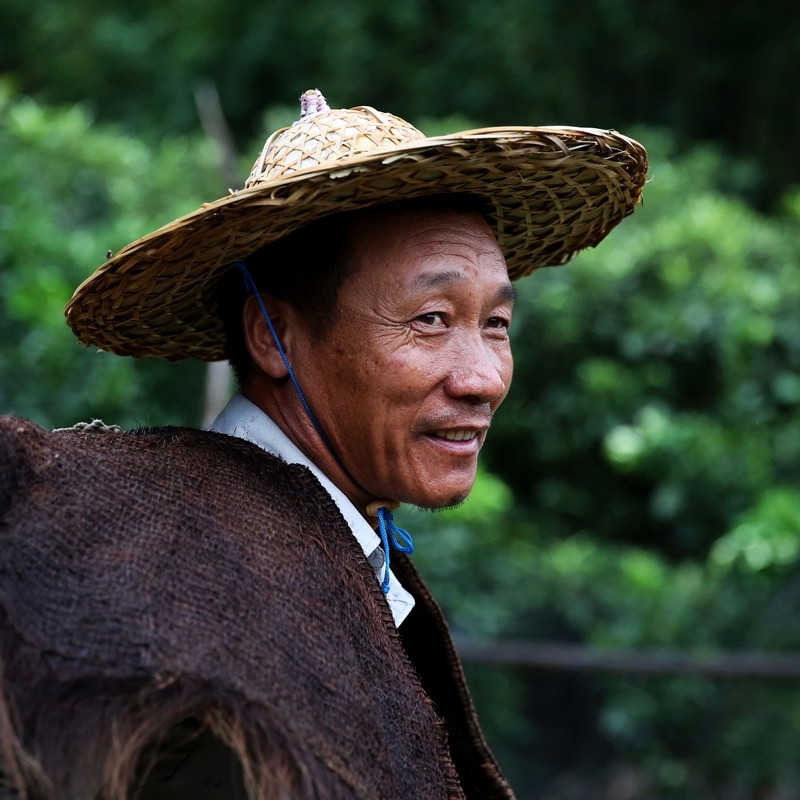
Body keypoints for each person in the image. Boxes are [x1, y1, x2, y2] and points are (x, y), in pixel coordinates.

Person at [0, 90, 647, 799]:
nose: (483, 379)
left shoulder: (345, 548)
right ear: (270, 336)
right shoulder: (182, 571)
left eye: (495, 323)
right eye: (431, 319)